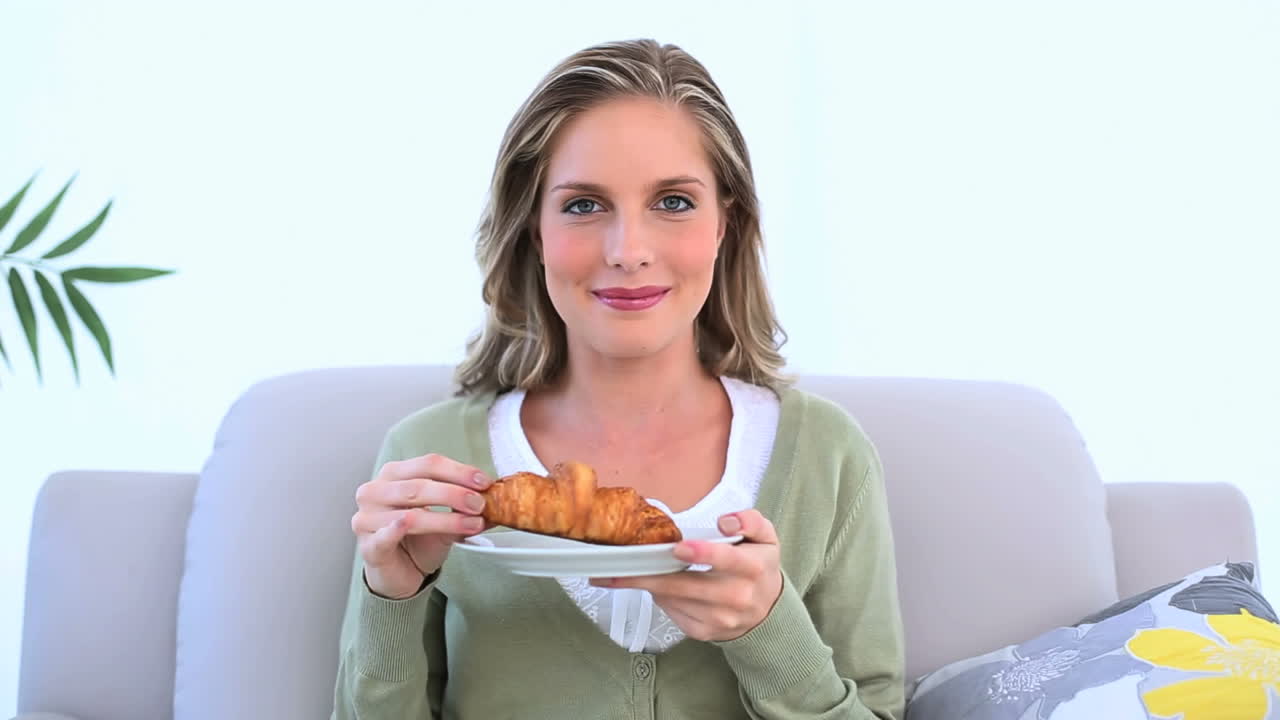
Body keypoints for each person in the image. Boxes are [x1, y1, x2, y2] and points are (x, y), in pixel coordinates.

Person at [331, 38, 905, 720]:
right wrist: (391, 595)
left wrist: (766, 631)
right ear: (533, 230)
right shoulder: (429, 461)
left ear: (727, 223)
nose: (628, 251)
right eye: (582, 205)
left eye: (672, 202)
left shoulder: (826, 456)